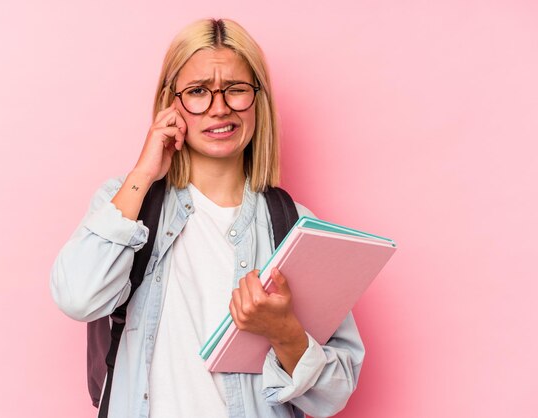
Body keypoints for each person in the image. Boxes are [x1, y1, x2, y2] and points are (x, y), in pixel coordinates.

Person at [50, 18, 364, 418]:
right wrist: (144, 173)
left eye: (235, 90)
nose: (219, 108)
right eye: (198, 91)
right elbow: (77, 297)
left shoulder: (294, 229)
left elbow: (333, 394)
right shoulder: (125, 203)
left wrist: (284, 332)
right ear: (172, 101)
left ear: (257, 100)